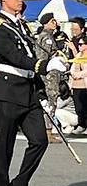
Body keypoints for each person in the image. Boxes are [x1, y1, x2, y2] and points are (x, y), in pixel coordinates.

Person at [0, 0, 59, 186]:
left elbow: (27, 58)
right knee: (4, 147)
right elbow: (16, 58)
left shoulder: (21, 25)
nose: (20, 0)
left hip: (27, 90)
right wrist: (45, 65)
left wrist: (41, 89)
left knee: (40, 140)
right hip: (7, 90)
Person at [35, 13, 62, 143]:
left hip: (49, 73)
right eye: (52, 21)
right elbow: (45, 57)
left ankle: (48, 130)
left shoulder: (48, 36)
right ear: (46, 23)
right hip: (49, 74)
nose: (54, 23)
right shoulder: (47, 38)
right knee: (51, 102)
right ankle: (48, 132)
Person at [69, 36, 87, 134]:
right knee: (78, 107)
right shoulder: (79, 55)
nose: (79, 46)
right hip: (76, 85)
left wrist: (79, 75)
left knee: (85, 106)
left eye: (81, 44)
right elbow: (73, 67)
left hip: (84, 85)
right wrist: (73, 74)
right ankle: (81, 124)